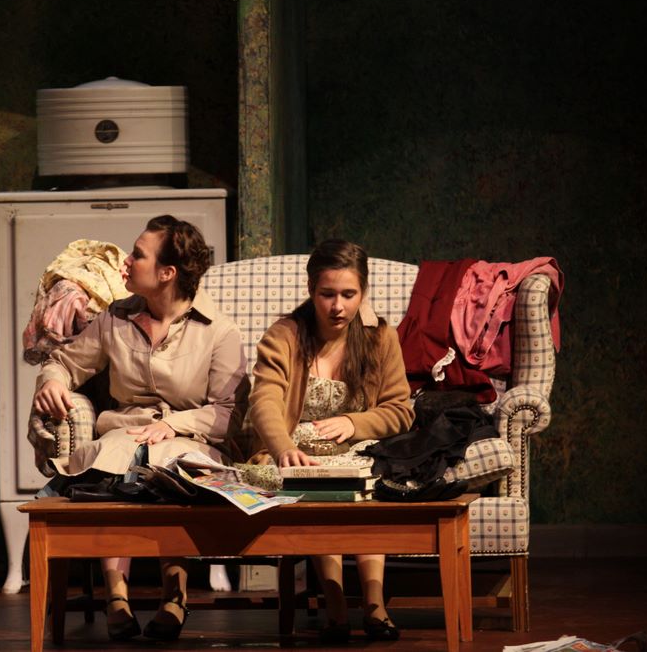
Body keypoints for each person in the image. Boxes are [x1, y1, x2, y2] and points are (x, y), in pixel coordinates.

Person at [33, 215, 249, 642]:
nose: (126, 262)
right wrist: (52, 381)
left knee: (174, 469)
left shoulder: (218, 331)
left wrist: (174, 424)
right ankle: (116, 597)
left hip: (190, 439)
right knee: (111, 467)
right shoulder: (116, 318)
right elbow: (66, 362)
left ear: (167, 273)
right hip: (124, 434)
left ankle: (175, 595)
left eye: (138, 255)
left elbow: (230, 412)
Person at [246, 239, 413, 642]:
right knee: (319, 484)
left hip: (357, 449)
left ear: (363, 292)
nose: (338, 306)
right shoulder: (285, 335)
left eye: (348, 294)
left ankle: (374, 603)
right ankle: (335, 604)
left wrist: (354, 423)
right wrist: (284, 447)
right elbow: (264, 399)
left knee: (366, 482)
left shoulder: (379, 337)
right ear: (311, 290)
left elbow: (400, 410)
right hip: (296, 452)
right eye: (327, 294)